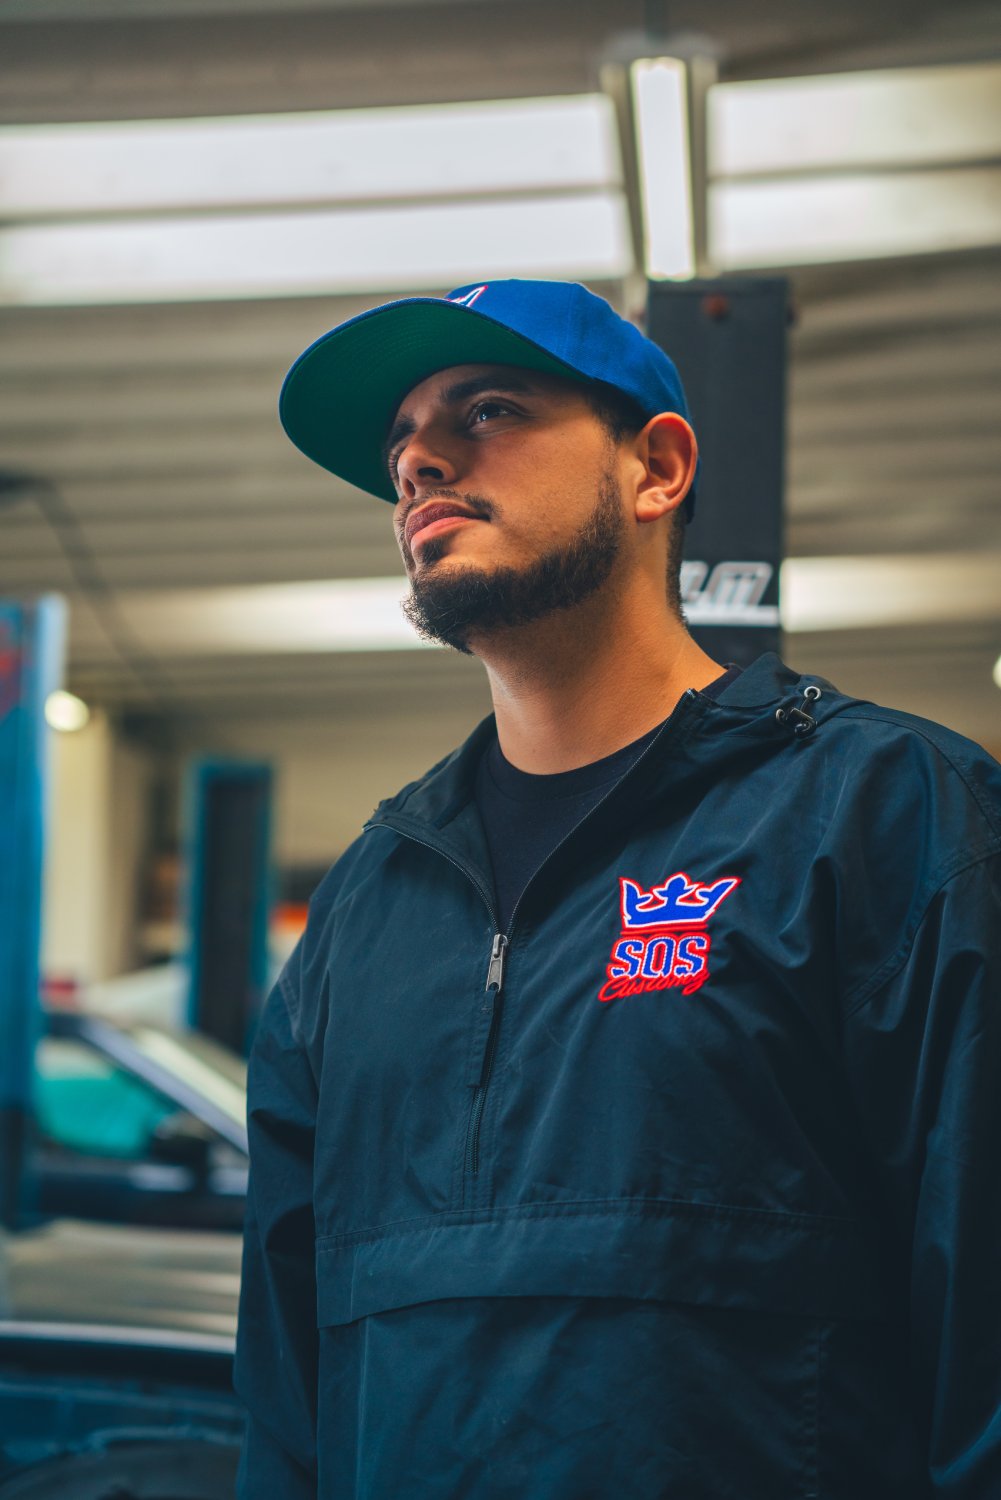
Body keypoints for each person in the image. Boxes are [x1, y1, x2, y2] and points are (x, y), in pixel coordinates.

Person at [234, 278, 1001, 1498]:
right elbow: (286, 1384)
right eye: (400, 449)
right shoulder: (367, 902)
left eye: (487, 411)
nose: (419, 462)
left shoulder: (885, 813)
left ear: (657, 468)